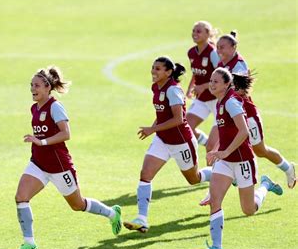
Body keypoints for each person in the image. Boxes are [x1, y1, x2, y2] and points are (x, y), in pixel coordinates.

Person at [10, 66, 122, 249]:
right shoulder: (34, 107)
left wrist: (41, 141)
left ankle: (112, 213)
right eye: (31, 85)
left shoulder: (55, 106)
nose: (32, 89)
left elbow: (66, 134)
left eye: (36, 85)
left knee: (78, 205)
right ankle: (29, 243)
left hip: (59, 166)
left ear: (47, 87)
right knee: (21, 196)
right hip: (38, 163)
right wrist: (39, 145)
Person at [196, 68, 283, 249]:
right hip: (225, 162)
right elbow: (226, 132)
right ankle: (216, 247)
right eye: (211, 80)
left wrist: (225, 151)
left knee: (248, 210)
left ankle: (266, 185)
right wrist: (216, 151)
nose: (211, 84)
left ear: (227, 84)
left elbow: (244, 131)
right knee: (215, 201)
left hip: (243, 161)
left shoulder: (232, 103)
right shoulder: (219, 102)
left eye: (216, 81)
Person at [123, 56, 212, 233]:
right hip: (163, 140)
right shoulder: (156, 87)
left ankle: (222, 173)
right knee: (145, 174)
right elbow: (162, 114)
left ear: (168, 72)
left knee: (193, 179)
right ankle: (142, 218)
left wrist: (152, 129)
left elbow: (179, 119)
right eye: (153, 67)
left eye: (158, 69)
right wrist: (154, 128)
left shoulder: (173, 91)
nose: (153, 72)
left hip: (181, 142)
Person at [216, 31, 295, 189]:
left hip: (247, 115)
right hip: (230, 116)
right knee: (226, 148)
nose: (218, 51)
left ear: (233, 47)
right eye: (217, 47)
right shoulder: (222, 65)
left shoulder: (239, 66)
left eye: (222, 47)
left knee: (260, 150)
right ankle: (234, 179)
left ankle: (288, 168)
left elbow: (241, 91)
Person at [186, 21, 220, 153]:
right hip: (202, 99)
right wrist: (190, 88)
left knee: (214, 146)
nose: (195, 34)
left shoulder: (212, 52)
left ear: (208, 34)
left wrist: (204, 86)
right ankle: (206, 143)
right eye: (194, 31)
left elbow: (221, 75)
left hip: (217, 100)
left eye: (199, 31)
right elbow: (196, 72)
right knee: (185, 128)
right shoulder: (191, 53)